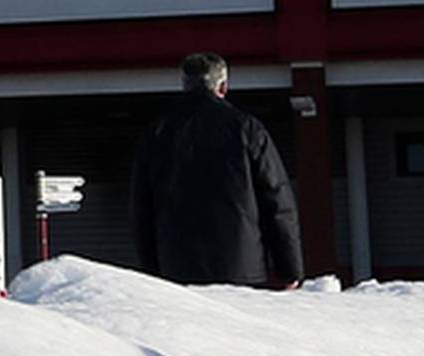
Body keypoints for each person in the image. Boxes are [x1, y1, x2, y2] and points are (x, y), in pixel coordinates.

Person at [129, 51, 304, 288]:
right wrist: (289, 268)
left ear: (184, 85)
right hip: (242, 265)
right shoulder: (247, 128)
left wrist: (150, 269)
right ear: (223, 86)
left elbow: (142, 208)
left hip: (177, 266)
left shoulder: (157, 132)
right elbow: (276, 200)